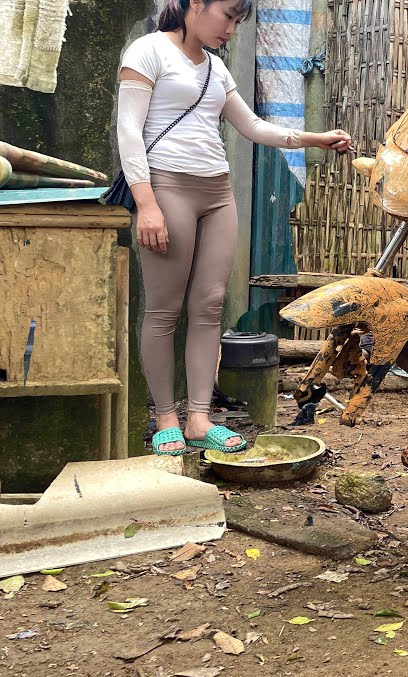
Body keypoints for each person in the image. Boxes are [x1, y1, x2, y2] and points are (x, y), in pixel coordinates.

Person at [117, 0, 351, 455]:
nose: (232, 28)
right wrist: (146, 204)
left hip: (218, 191)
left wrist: (313, 138)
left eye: (239, 20)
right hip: (168, 187)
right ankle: (166, 416)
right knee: (164, 310)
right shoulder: (147, 52)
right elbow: (129, 132)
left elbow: (254, 126)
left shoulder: (216, 69)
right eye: (227, 14)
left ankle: (199, 420)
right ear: (194, 5)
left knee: (209, 306)